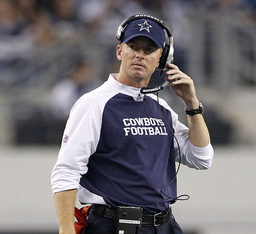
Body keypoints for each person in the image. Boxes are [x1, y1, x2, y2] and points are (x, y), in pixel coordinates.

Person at [51, 14, 214, 234]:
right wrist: (66, 229)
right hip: (115, 225)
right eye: (134, 46)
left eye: (149, 50)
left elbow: (201, 158)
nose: (140, 55)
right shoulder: (94, 104)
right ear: (120, 51)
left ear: (161, 59)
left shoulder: (161, 108)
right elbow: (66, 171)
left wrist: (192, 104)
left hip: (163, 225)